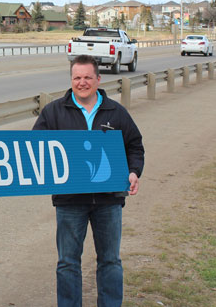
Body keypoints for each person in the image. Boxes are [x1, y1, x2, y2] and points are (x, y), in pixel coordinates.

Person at [33, 54, 145, 307]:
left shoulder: (116, 112)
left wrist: (134, 171)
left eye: (87, 77)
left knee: (110, 261)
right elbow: (36, 150)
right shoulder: (53, 112)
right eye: (77, 78)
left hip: (109, 201)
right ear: (71, 79)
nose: (82, 82)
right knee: (67, 262)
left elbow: (135, 147)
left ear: (98, 79)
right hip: (69, 201)